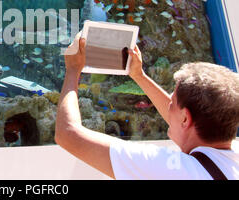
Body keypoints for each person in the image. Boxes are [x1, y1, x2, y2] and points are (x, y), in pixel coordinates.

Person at [55, 32, 239, 180]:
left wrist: (73, 69)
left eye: (172, 104)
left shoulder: (171, 170)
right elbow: (190, 121)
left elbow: (68, 134)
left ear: (185, 118)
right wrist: (139, 75)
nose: (167, 107)